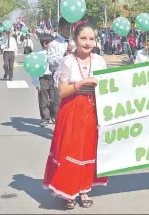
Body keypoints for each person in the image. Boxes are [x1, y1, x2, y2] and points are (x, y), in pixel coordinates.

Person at [43, 20, 108, 209]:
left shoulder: (99, 60)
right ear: (75, 39)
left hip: (93, 109)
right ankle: (68, 191)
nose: (87, 43)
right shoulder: (68, 61)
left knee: (88, 149)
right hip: (72, 109)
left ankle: (84, 189)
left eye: (91, 39)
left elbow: (107, 86)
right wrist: (80, 84)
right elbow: (62, 91)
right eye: (83, 38)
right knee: (70, 150)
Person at [47, 17, 73, 121]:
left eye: (71, 29)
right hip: (60, 80)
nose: (69, 31)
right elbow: (51, 61)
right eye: (67, 28)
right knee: (59, 105)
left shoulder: (75, 42)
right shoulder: (54, 44)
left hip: (74, 79)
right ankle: (58, 128)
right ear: (60, 30)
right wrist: (64, 56)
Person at [31, 34, 55, 127]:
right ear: (45, 44)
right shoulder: (38, 56)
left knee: (54, 99)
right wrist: (36, 83)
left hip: (53, 78)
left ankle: (53, 115)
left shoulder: (54, 54)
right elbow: (33, 70)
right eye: (52, 43)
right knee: (43, 100)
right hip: (43, 78)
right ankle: (45, 118)